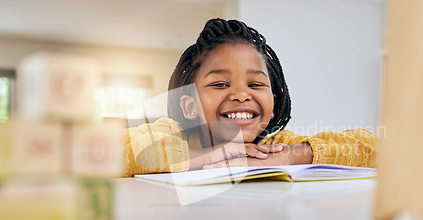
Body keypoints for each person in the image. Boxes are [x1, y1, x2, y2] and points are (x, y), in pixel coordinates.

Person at [122, 18, 376, 177]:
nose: (241, 94)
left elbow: (375, 148)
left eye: (255, 83)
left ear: (273, 104)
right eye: (220, 83)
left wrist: (285, 156)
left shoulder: (275, 143)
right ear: (190, 106)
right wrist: (201, 155)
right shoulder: (172, 134)